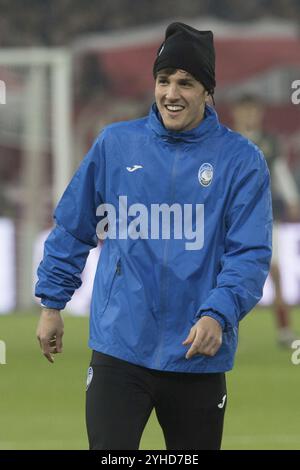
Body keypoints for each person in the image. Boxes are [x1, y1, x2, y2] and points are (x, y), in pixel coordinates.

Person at [36, 23, 272, 450]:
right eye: (163, 80)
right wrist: (53, 303)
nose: (171, 93)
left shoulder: (241, 161)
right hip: (120, 347)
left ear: (208, 91)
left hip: (197, 352)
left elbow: (249, 254)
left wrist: (216, 314)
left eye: (186, 82)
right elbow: (74, 225)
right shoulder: (115, 145)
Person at [232, 94, 299, 347]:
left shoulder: (270, 143)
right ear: (237, 113)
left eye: (253, 110)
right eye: (245, 110)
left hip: (264, 218)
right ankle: (220, 328)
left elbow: (280, 171)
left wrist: (292, 198)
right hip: (232, 219)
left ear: (259, 113)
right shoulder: (228, 141)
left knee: (276, 272)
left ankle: (284, 331)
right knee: (222, 274)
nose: (249, 115)